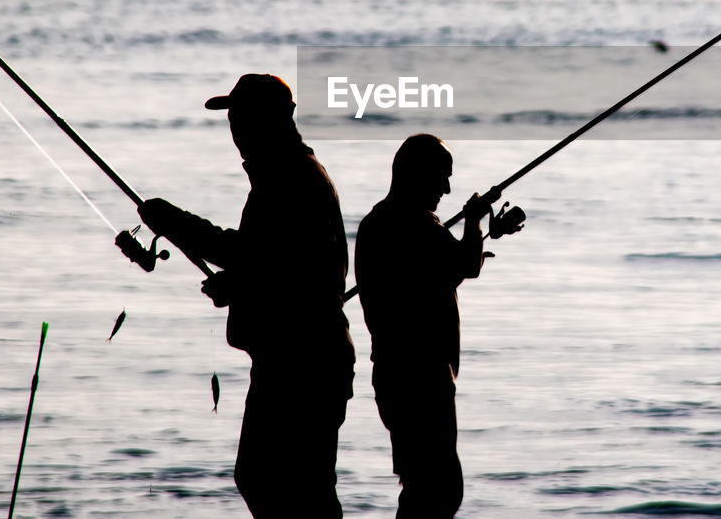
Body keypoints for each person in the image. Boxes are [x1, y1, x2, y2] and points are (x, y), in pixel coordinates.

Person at [132, 73, 355, 518]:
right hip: (293, 358)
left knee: (288, 484)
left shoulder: (291, 177)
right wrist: (239, 286)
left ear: (281, 118)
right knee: (277, 482)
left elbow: (254, 258)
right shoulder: (283, 173)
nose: (235, 126)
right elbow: (276, 265)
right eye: (232, 116)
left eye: (245, 115)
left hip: (304, 363)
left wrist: (173, 222)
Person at [354, 134, 523, 518]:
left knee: (423, 483)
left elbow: (429, 279)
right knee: (439, 487)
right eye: (441, 177)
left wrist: (472, 232)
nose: (446, 188)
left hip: (394, 374)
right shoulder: (416, 224)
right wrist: (475, 220)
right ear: (415, 175)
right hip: (422, 378)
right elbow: (465, 265)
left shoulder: (376, 223)